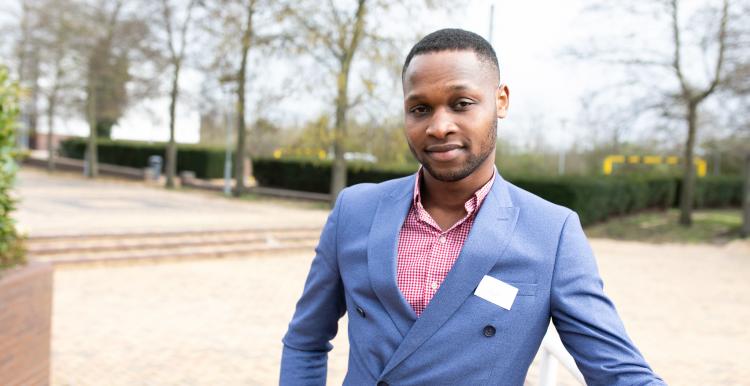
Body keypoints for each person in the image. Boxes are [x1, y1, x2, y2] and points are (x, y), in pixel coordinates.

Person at [280, 28, 665, 386]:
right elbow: (305, 340)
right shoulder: (355, 210)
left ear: (501, 101)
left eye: (461, 104)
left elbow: (619, 372)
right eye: (420, 109)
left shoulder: (552, 232)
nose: (439, 126)